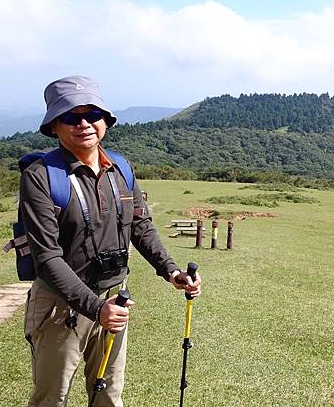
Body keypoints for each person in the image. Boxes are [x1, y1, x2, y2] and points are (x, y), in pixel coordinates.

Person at [21, 75, 201, 407]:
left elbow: (141, 227)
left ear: (106, 120)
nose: (84, 124)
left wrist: (172, 272)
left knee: (108, 395)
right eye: (71, 117)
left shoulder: (120, 168)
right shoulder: (41, 177)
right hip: (61, 306)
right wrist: (95, 307)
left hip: (113, 301)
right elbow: (47, 258)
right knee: (51, 399)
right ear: (55, 127)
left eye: (92, 115)